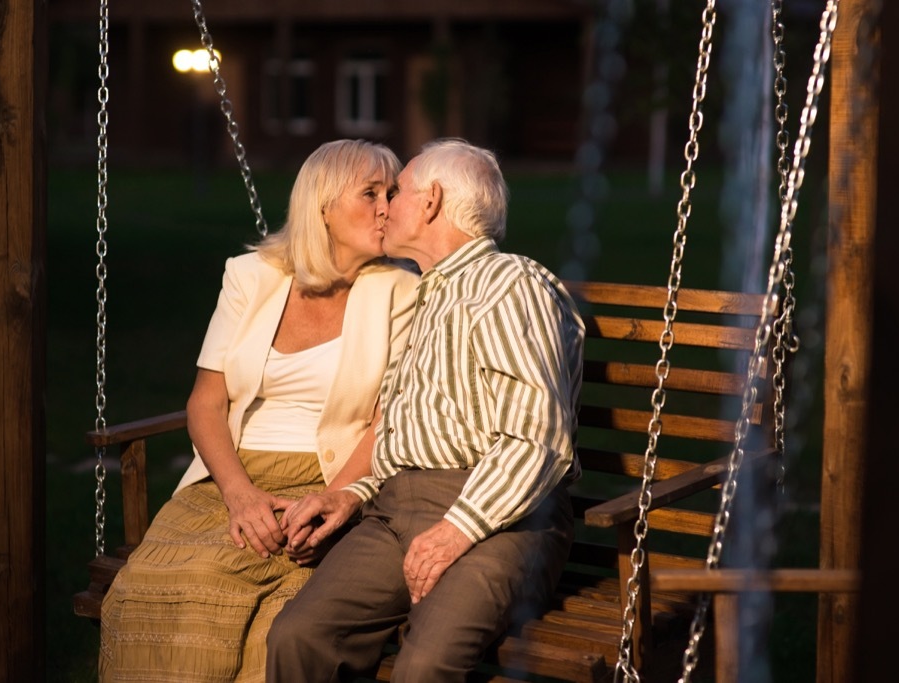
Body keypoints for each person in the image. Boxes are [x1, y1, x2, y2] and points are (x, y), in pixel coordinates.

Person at [99, 139, 419, 682]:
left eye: (392, 192)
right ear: (322, 206)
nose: (388, 206)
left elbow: (386, 421)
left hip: (327, 478)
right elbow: (206, 401)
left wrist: (333, 497)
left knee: (279, 619)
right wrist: (239, 495)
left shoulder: (401, 289)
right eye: (371, 193)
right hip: (231, 476)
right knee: (159, 584)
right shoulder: (251, 276)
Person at [268, 138, 585, 682]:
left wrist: (456, 528)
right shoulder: (431, 294)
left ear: (432, 200)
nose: (384, 205)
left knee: (425, 666)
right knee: (298, 637)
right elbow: (409, 435)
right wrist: (352, 493)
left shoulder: (509, 285)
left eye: (396, 191)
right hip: (395, 513)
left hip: (500, 517)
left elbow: (536, 439)